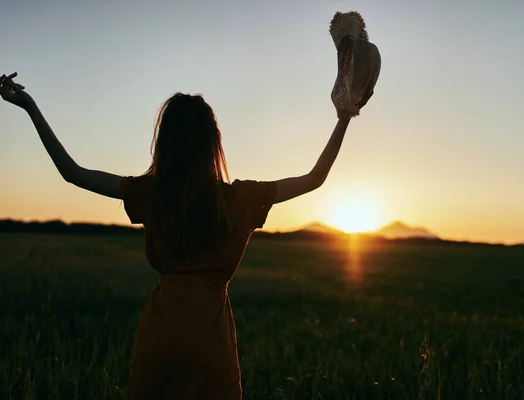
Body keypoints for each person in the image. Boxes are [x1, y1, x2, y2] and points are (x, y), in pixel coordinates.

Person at [0, 72, 370, 399]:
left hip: (159, 335)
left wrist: (30, 107)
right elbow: (314, 178)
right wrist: (343, 120)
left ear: (165, 142)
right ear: (213, 143)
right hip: (210, 342)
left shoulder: (152, 193)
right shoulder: (237, 199)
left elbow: (73, 173)